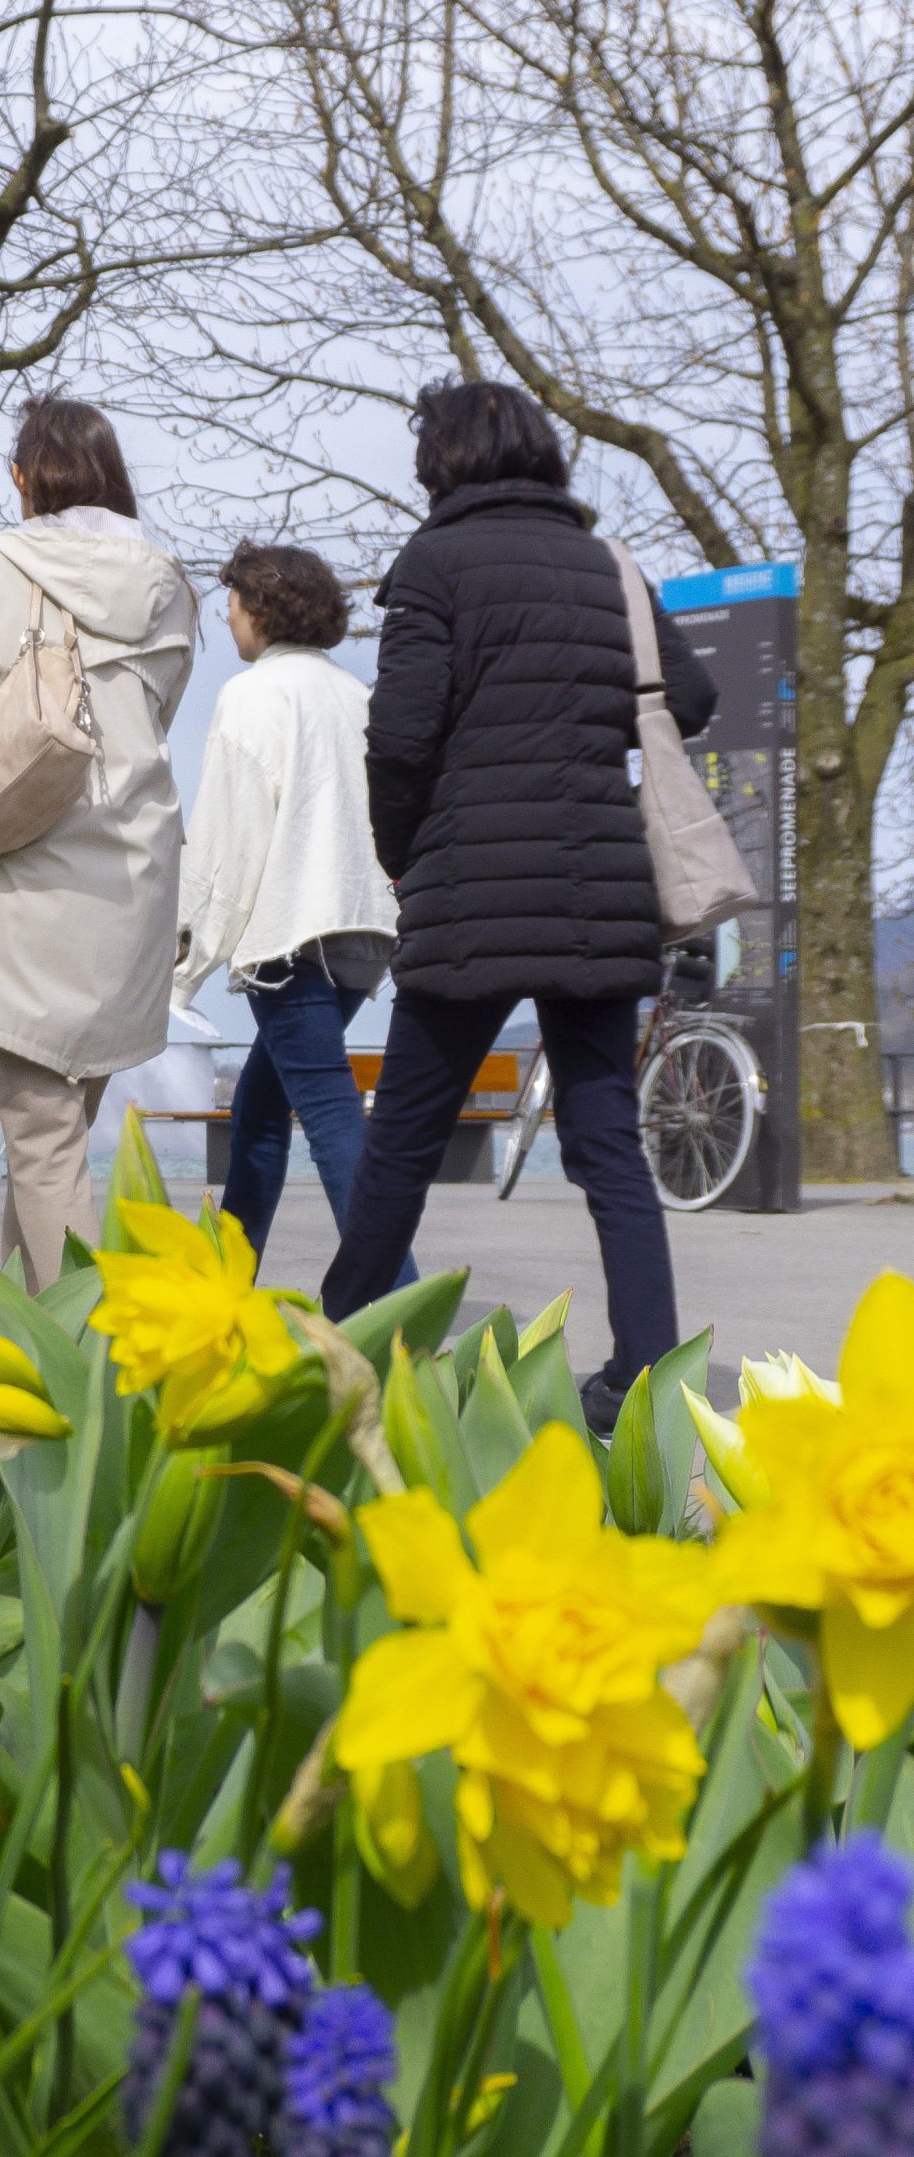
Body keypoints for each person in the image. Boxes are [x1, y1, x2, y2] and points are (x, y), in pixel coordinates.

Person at [319, 380, 717, 1431]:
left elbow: (399, 734)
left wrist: (401, 850)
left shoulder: (433, 565)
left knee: (401, 1136)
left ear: (442, 464)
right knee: (604, 1141)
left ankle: (338, 1348)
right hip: (596, 892)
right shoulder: (610, 568)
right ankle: (645, 1376)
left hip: (470, 888)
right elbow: (692, 698)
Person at [0, 397, 198, 1289]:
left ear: (23, 478)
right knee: (56, 1135)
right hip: (131, 878)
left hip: (22, 869)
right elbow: (160, 710)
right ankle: (11, 1336)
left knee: (40, 1141)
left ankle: (91, 1368)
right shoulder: (169, 583)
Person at [174, 544, 409, 1276]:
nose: (227, 614)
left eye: (234, 603)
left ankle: (401, 1307)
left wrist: (186, 958)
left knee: (332, 1114)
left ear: (262, 610)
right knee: (259, 1110)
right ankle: (227, 1282)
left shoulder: (251, 695)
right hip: (360, 930)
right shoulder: (354, 694)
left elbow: (227, 839)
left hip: (290, 937)